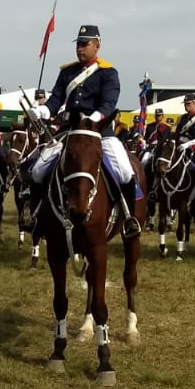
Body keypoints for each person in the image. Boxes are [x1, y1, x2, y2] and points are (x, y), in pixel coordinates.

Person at [28, 24, 141, 237]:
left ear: (97, 45)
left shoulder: (108, 72)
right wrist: (42, 110)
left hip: (99, 132)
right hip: (69, 132)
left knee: (125, 171)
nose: (80, 49)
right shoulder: (67, 72)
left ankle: (129, 218)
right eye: (78, 45)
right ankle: (36, 216)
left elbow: (109, 103)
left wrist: (95, 119)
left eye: (84, 44)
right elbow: (55, 100)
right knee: (37, 170)